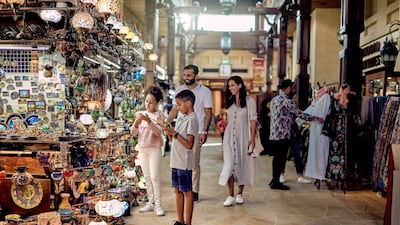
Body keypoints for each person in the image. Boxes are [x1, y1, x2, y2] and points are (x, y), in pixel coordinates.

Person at [167, 64, 213, 202]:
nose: (186, 78)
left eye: (189, 75)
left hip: (195, 130)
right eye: (184, 75)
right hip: (180, 130)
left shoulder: (205, 91)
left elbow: (208, 112)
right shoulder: (180, 89)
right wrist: (166, 122)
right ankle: (182, 188)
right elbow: (175, 109)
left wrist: (204, 131)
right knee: (180, 161)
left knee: (194, 162)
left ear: (196, 76)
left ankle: (194, 190)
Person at [269, 79, 320, 190]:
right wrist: (315, 118)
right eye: (290, 88)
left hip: (274, 134)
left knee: (276, 158)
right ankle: (276, 182)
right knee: (281, 158)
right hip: (283, 134)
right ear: (286, 88)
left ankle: (274, 180)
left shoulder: (274, 100)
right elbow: (298, 113)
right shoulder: (286, 101)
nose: (291, 90)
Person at [218, 76, 256, 206]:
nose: (231, 88)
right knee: (229, 164)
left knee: (241, 163)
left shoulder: (250, 101)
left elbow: (253, 120)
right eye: (229, 86)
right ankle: (230, 195)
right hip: (229, 136)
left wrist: (252, 139)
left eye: (233, 85)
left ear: (240, 85)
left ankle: (239, 194)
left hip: (243, 135)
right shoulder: (229, 100)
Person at [164, 90, 199, 225]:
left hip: (184, 161)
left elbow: (189, 144)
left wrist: (175, 133)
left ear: (188, 103)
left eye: (179, 105)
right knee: (178, 190)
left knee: (187, 192)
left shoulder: (192, 119)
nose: (177, 108)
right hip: (176, 160)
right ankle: (180, 220)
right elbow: (174, 140)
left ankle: (188, 223)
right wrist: (169, 131)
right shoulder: (181, 117)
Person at [131, 85, 166, 216]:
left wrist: (149, 122)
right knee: (146, 177)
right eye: (146, 101)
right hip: (143, 149)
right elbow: (133, 133)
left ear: (157, 103)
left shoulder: (159, 115)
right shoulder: (140, 114)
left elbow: (158, 133)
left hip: (155, 149)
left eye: (151, 102)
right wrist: (136, 123)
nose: (148, 104)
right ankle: (150, 203)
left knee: (155, 176)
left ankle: (158, 204)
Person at [302, 86, 331, 189]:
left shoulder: (326, 97)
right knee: (315, 152)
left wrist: (314, 117)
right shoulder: (318, 99)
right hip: (315, 128)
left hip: (321, 129)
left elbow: (322, 116)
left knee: (321, 152)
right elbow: (311, 111)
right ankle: (316, 175)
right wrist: (301, 118)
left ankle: (321, 174)